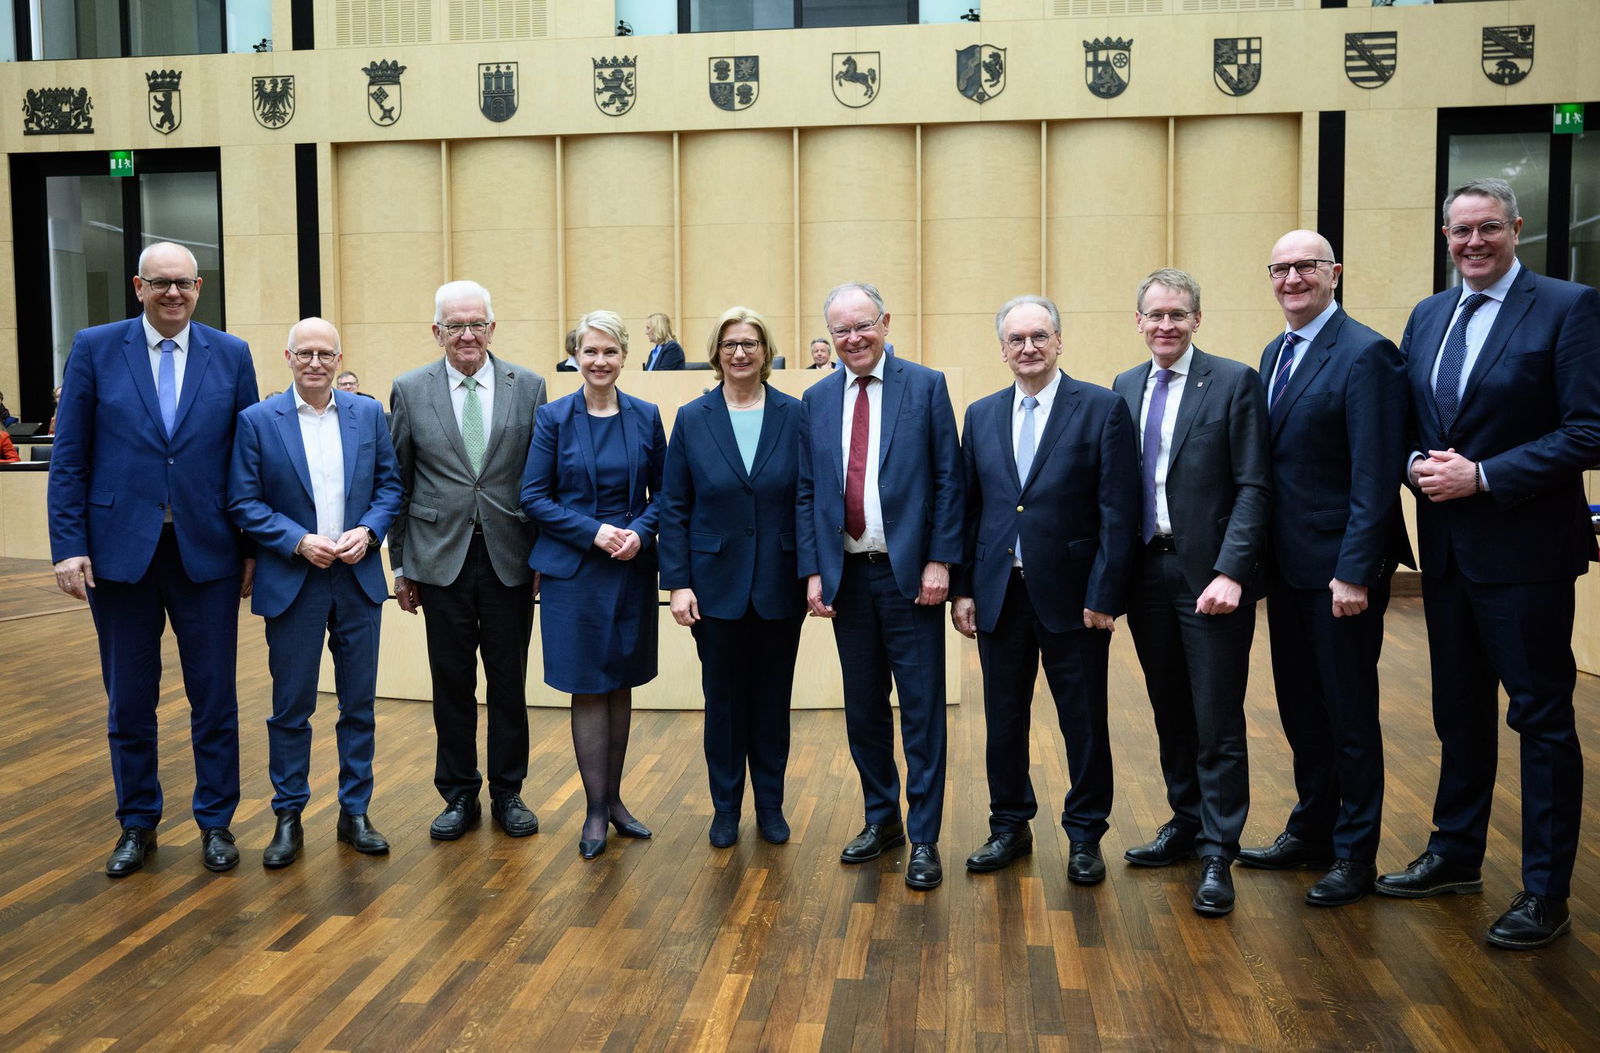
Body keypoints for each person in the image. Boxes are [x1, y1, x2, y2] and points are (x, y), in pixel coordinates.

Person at [1376, 178, 1600, 949]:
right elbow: (1410, 421)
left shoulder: (1569, 307)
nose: (1474, 242)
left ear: (1517, 228)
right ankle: (1455, 852)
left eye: (1488, 229)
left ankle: (1546, 892)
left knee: (1540, 719)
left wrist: (1484, 474)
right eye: (1460, 231)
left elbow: (1589, 431)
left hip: (1527, 553)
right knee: (1458, 711)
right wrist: (1413, 463)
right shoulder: (1429, 314)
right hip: (1446, 555)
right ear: (1445, 236)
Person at [47, 241, 259, 877]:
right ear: (138, 286)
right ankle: (137, 823)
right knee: (129, 700)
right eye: (160, 283)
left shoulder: (231, 353)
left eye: (185, 284)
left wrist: (252, 548)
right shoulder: (93, 347)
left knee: (215, 696)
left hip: (208, 554)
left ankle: (216, 823)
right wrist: (68, 545)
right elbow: (70, 457)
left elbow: (250, 461)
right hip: (118, 555)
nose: (173, 294)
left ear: (199, 288)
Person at [1236, 232, 1412, 907]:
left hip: (1339, 574)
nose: (1291, 279)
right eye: (1279, 268)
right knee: (1301, 710)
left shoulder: (1367, 353)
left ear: (1334, 273)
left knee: (1349, 718)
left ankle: (1354, 851)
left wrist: (1356, 570)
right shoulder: (1275, 352)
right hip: (1286, 571)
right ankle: (1311, 827)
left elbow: (1375, 473)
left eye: (1305, 266)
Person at [951, 295, 1138, 884]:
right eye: (1016, 339)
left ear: (1060, 341)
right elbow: (970, 507)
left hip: (1076, 598)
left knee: (1083, 722)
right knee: (1004, 721)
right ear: (1002, 350)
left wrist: (1106, 594)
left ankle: (1085, 835)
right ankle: (1009, 826)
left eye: (1039, 336)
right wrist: (963, 588)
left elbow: (1118, 509)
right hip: (1000, 595)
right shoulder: (980, 414)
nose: (1028, 347)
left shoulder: (1103, 408)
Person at [1111, 268, 1269, 917]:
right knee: (1168, 705)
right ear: (1140, 321)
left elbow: (1256, 485)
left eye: (1179, 314)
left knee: (1216, 716)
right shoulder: (1123, 387)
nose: (1167, 325)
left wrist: (1233, 570)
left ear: (1197, 319)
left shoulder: (1233, 382)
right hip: (1147, 572)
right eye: (1156, 315)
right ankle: (1184, 820)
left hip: (1212, 578)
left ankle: (1218, 848)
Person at [797, 281, 963, 891]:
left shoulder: (926, 386)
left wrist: (941, 560)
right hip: (846, 578)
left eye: (862, 326)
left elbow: (949, 479)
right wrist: (814, 568)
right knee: (864, 710)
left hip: (910, 578)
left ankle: (924, 837)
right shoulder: (814, 399)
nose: (853, 339)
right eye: (840, 330)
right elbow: (808, 491)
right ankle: (881, 819)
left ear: (885, 322)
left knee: (921, 712)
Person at [228, 318, 403, 867]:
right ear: (287, 357)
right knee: (291, 706)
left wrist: (370, 530)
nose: (315, 362)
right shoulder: (257, 421)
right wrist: (297, 540)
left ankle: (356, 813)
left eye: (325, 353)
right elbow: (243, 502)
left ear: (338, 357)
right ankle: (289, 815)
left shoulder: (369, 414)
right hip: (293, 581)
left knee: (359, 704)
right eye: (305, 353)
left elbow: (391, 487)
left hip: (356, 577)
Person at [389, 280, 548, 843]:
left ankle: (509, 791)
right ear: (437, 332)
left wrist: (544, 555)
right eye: (454, 325)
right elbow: (398, 481)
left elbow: (540, 477)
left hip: (511, 558)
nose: (466, 334)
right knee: (451, 682)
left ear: (492, 328)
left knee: (509, 682)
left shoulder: (528, 386)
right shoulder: (409, 390)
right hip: (439, 561)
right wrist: (401, 563)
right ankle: (458, 793)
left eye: (476, 323)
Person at [659, 306, 806, 848]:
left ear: (766, 352)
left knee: (771, 702)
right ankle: (725, 808)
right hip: (713, 587)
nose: (739, 353)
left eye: (750, 343)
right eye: (729, 345)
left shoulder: (796, 413)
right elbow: (674, 505)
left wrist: (812, 574)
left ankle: (770, 806)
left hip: (779, 585)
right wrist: (677, 582)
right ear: (716, 354)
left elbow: (808, 499)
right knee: (722, 704)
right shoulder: (693, 417)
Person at [521, 309, 665, 860]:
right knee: (588, 684)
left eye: (609, 352)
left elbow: (666, 494)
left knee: (621, 680)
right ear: (575, 357)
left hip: (628, 567)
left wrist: (638, 533)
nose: (599, 361)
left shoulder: (647, 416)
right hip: (575, 573)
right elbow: (533, 496)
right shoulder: (554, 418)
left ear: (625, 356)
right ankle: (595, 809)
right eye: (590, 352)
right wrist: (595, 532)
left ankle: (617, 799)